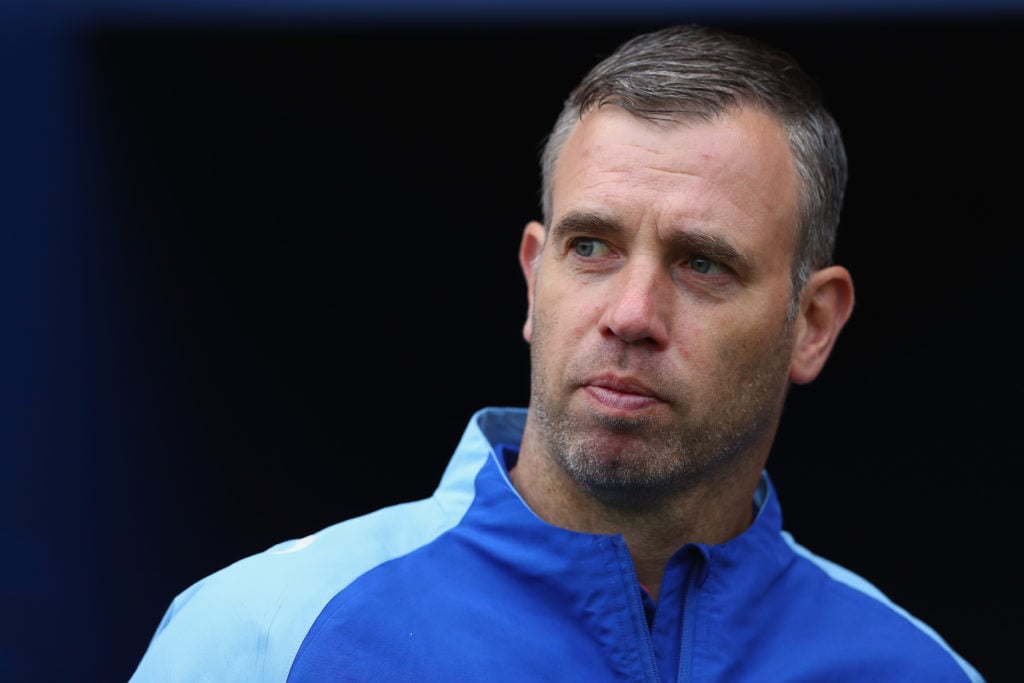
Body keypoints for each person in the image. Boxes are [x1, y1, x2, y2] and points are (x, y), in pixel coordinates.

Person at [129, 23, 984, 682]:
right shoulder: (263, 635)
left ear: (814, 321)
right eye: (592, 248)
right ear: (535, 277)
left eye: (702, 263)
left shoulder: (911, 668)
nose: (632, 312)